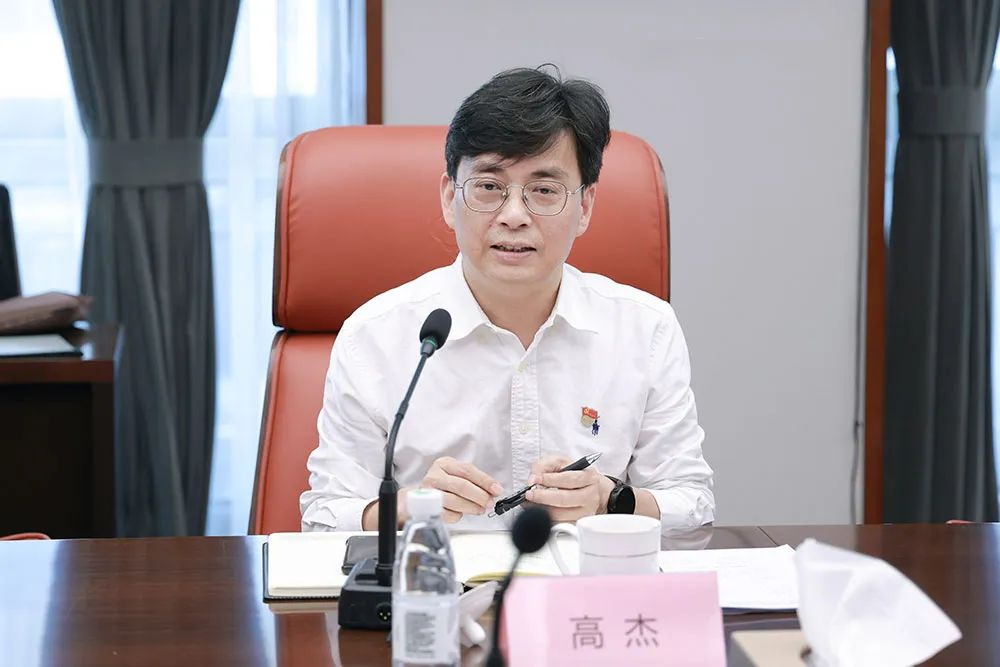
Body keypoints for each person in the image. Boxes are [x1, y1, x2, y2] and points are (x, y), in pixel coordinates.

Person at [300, 66, 714, 533]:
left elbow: (693, 505)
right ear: (448, 198)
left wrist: (610, 498)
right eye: (489, 187)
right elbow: (323, 517)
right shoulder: (375, 335)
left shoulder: (646, 329)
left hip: (585, 577)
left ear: (585, 207)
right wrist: (408, 506)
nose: (514, 215)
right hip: (438, 577)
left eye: (544, 190)